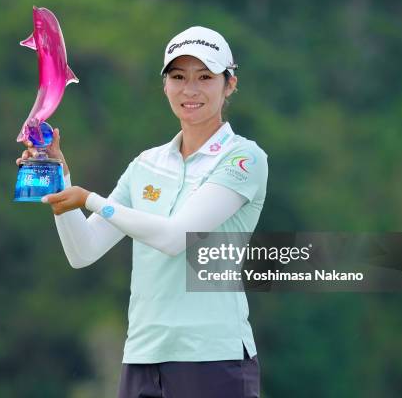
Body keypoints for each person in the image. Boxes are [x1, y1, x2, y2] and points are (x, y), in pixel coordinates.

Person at [16, 26, 267, 398]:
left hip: (213, 357)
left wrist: (91, 200)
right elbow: (82, 251)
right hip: (142, 356)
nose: (190, 90)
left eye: (205, 77)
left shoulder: (244, 158)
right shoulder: (146, 165)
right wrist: (60, 178)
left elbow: (175, 237)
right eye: (178, 77)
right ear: (164, 85)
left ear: (229, 84)